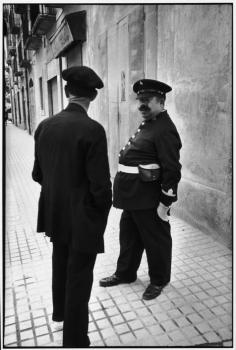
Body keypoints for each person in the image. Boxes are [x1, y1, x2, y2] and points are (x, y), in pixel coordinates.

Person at [32, 66, 112, 347]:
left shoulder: (44, 126)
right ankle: (75, 340)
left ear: (66, 93)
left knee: (60, 263)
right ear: (92, 97)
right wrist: (100, 216)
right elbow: (101, 185)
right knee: (79, 277)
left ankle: (61, 313)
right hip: (82, 218)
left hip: (55, 214)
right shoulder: (93, 130)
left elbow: (37, 175)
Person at [99, 79, 182, 300]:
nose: (141, 106)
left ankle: (159, 279)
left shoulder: (164, 128)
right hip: (134, 197)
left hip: (149, 199)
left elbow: (172, 168)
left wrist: (165, 201)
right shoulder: (150, 122)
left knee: (156, 240)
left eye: (147, 101)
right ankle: (126, 273)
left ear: (161, 101)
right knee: (129, 237)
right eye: (140, 101)